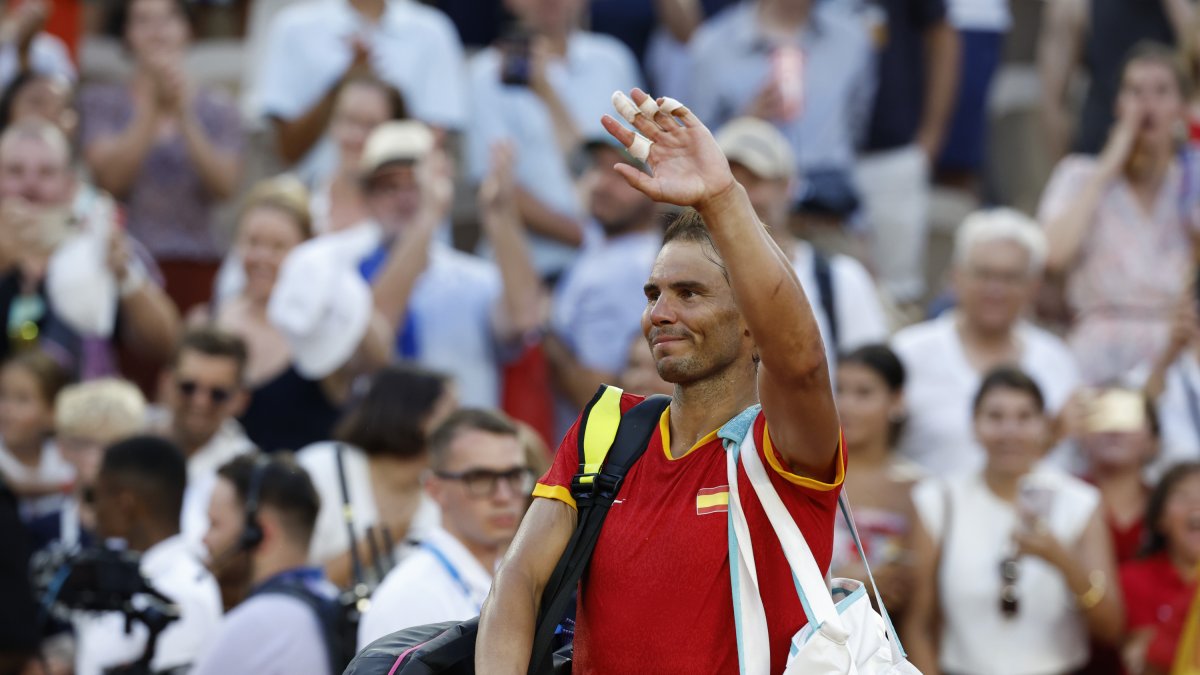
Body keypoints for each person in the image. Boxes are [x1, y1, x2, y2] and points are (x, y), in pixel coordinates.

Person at [476, 88, 845, 673]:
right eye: (653, 294)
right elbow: (517, 579)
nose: (659, 313)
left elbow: (800, 361)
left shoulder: (783, 447)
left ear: (753, 326)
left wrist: (723, 198)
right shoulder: (605, 425)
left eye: (690, 293)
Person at [904, 368, 1123, 674]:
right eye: (995, 417)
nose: (1010, 432)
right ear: (974, 425)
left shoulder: (1080, 502)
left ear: (1045, 426)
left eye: (1024, 418)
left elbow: (1110, 627)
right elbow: (918, 624)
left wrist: (1063, 561)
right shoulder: (938, 500)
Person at [320, 120, 541, 408]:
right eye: (389, 187)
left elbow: (524, 318)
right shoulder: (345, 276)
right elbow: (377, 339)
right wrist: (426, 217)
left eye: (415, 183)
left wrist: (501, 213)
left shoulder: (472, 277)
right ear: (368, 199)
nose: (404, 198)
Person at [1038, 43, 1198, 385]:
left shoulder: (1192, 178)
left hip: (1177, 345)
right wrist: (1107, 168)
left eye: (1161, 91)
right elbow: (1052, 255)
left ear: (1182, 108)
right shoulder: (1079, 174)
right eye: (1135, 91)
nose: (1146, 104)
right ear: (1118, 105)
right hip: (1098, 344)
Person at [79, 0, 243, 314]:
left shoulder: (219, 108)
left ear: (188, 29)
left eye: (169, 18)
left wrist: (184, 116)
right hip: (125, 264)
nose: (157, 30)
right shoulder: (100, 102)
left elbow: (225, 186)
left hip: (199, 261)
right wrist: (152, 108)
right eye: (143, 20)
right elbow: (111, 181)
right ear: (126, 33)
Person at [207, 176, 389, 455]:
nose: (261, 257)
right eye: (252, 242)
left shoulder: (322, 324)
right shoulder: (213, 320)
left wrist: (334, 274)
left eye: (278, 247)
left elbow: (379, 358)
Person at [892, 207, 1080, 474]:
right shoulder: (909, 353)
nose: (995, 290)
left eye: (1010, 278)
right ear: (956, 277)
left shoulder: (1057, 359)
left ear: (1034, 287)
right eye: (983, 274)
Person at [465, 0, 643, 278]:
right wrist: (591, 239)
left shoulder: (613, 60)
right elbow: (496, 186)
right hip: (527, 270)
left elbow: (630, 165)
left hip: (614, 262)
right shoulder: (484, 74)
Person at [0, 120, 180, 379]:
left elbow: (167, 345)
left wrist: (125, 276)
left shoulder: (99, 240)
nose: (30, 184)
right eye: (15, 171)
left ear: (69, 183)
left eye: (47, 172)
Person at [714, 116, 888, 373]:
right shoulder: (679, 276)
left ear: (788, 187)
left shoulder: (842, 280)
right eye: (730, 182)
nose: (741, 194)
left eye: (755, 181)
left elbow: (870, 384)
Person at [358, 408, 530, 646]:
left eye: (514, 475)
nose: (503, 496)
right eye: (480, 478)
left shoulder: (519, 576)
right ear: (435, 489)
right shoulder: (406, 599)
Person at [687, 0, 875, 214]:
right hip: (748, 208)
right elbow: (695, 147)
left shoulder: (851, 40)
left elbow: (857, 125)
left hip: (830, 210)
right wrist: (744, 124)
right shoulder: (712, 45)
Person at [253, 0, 465, 182]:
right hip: (320, 215)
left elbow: (432, 143)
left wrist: (377, 96)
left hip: (405, 217)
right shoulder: (293, 27)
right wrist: (345, 81)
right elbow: (287, 149)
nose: (356, 137)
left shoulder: (434, 30)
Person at [75, 435, 222, 675]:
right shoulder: (141, 574)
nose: (94, 510)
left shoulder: (183, 593)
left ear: (126, 504)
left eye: (94, 496)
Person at [297, 364, 455, 587]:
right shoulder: (324, 466)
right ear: (418, 417)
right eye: (452, 414)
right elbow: (288, 581)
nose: (462, 430)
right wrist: (377, 543)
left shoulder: (441, 495)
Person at [542, 138, 661, 431]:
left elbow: (604, 397)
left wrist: (545, 335)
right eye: (597, 168)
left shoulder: (628, 266)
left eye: (620, 175)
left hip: (602, 456)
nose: (601, 184)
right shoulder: (604, 247)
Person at [192, 454, 340, 675]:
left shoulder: (254, 624)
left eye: (215, 524)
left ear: (261, 534)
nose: (204, 539)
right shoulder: (332, 600)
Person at [855, 0, 958, 305]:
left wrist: (931, 136)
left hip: (893, 151)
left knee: (897, 293)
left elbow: (943, 37)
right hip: (823, 155)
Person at [831, 345, 921, 624]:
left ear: (896, 401)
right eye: (840, 390)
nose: (846, 405)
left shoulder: (919, 488)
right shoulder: (810, 477)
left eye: (863, 393)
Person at [1039, 0, 1185, 159]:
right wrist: (1069, 172)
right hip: (1099, 150)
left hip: (1174, 160)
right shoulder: (1073, 6)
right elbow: (1053, 101)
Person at [154, 327, 256, 546]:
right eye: (188, 387)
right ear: (165, 382)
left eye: (218, 394)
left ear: (240, 400)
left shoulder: (247, 473)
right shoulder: (131, 437)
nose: (201, 402)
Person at [28, 377, 146, 551]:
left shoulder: (150, 530)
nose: (96, 458)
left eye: (111, 446)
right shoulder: (40, 530)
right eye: (83, 444)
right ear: (62, 447)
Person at [1120, 463, 1200, 675]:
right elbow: (1148, 660)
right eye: (1183, 497)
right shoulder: (1135, 577)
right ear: (1160, 519)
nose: (1196, 504)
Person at [311, 75, 407, 235]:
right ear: (331, 124)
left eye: (371, 125)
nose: (357, 137)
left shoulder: (408, 215)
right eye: (349, 120)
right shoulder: (306, 202)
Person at [1075, 388, 1160, 563]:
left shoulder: (1170, 504)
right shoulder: (1062, 498)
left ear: (1153, 440)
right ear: (1083, 434)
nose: (1114, 431)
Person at [0, 349, 71, 520]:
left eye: (22, 399)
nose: (7, 409)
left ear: (52, 412)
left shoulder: (67, 459)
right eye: (2, 395)